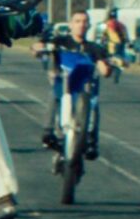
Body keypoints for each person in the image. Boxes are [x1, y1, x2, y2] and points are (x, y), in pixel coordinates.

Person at [41, 9, 112, 154]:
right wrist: (39, 48)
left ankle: (92, 140)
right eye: (77, 21)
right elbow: (40, 48)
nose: (81, 25)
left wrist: (108, 65)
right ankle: (48, 131)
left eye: (85, 22)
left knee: (94, 102)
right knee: (54, 94)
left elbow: (104, 70)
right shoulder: (60, 42)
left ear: (89, 25)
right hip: (64, 84)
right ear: (70, 24)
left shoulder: (94, 48)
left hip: (84, 88)